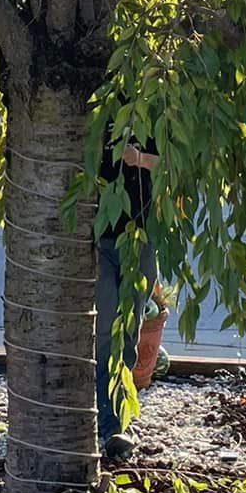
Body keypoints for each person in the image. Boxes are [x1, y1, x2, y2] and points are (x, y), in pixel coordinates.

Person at [96, 131, 158, 463]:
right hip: (101, 241)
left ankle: (118, 419)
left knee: (129, 334)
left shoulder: (152, 112)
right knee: (105, 331)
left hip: (142, 240)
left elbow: (177, 169)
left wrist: (140, 160)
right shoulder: (96, 113)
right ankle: (110, 422)